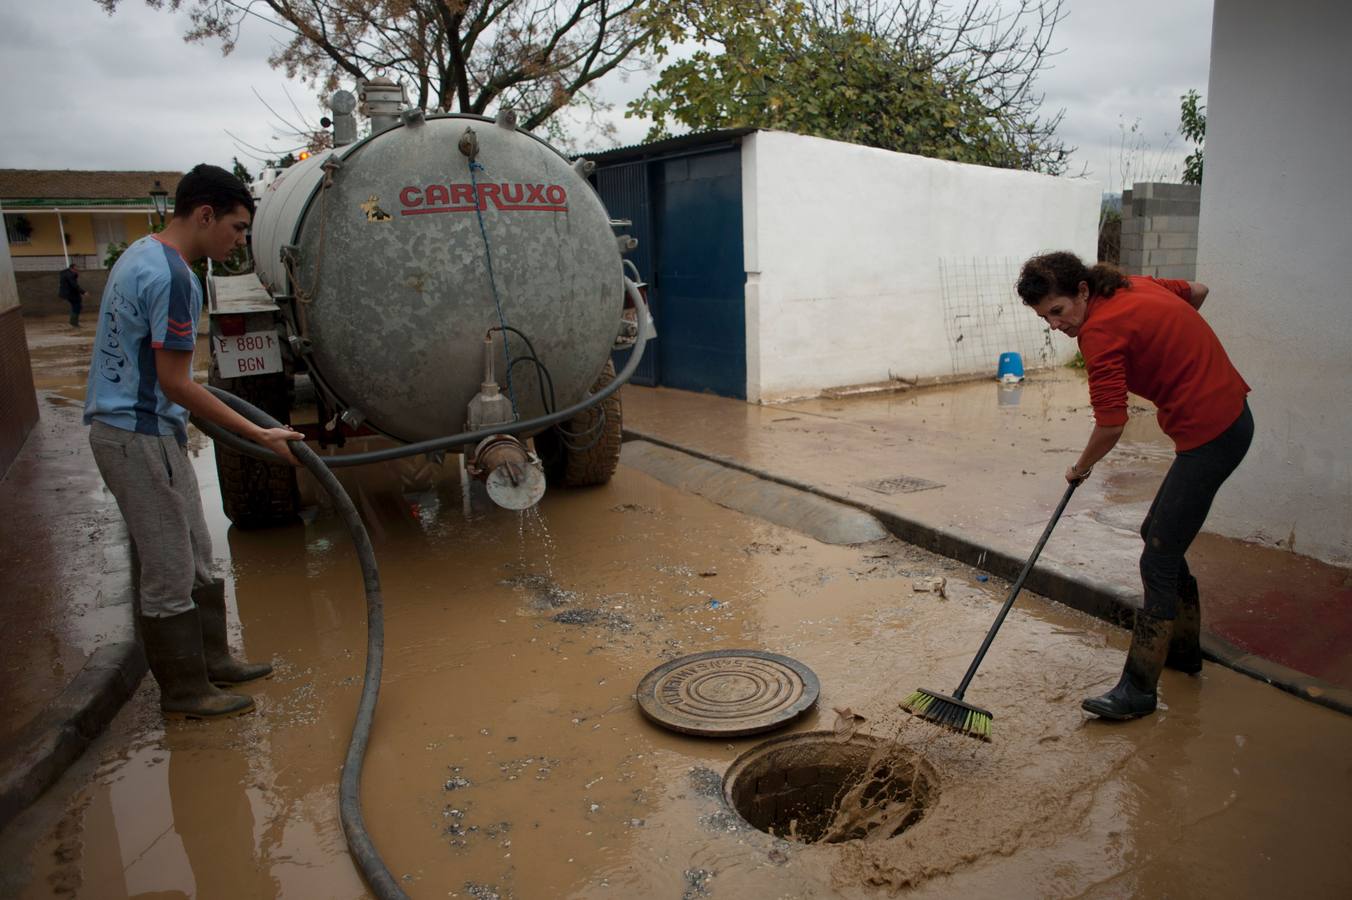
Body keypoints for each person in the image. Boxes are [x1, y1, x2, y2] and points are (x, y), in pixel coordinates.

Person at [83, 164, 303, 720]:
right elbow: (176, 383)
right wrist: (259, 432)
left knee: (198, 555)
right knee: (169, 568)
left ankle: (213, 660)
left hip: (150, 431)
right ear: (205, 215)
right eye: (236, 227)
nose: (238, 240)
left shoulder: (141, 253)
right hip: (134, 435)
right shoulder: (176, 278)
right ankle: (185, 691)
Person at [1017, 251, 1252, 721]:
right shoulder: (1131, 286)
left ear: (1083, 291)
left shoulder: (1100, 333)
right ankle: (1183, 654)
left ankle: (1138, 689)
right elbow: (1198, 292)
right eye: (1045, 318)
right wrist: (1173, 348)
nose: (1055, 325)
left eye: (1058, 312)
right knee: (1157, 536)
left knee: (1158, 556)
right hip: (1229, 418)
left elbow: (1110, 424)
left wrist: (1079, 468)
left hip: (1212, 434)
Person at [58, 261, 89, 328]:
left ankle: (73, 322)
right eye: (76, 269)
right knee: (77, 306)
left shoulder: (66, 273)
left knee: (76, 306)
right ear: (72, 269)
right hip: (71, 293)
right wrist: (83, 292)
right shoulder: (70, 275)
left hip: (68, 293)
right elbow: (74, 285)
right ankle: (74, 323)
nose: (77, 270)